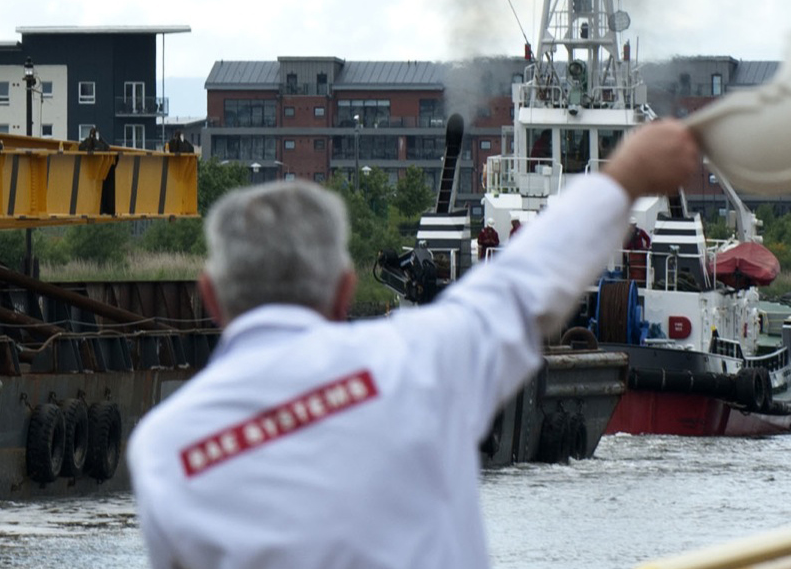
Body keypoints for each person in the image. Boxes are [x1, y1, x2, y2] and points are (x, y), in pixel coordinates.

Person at [127, 119, 704, 569]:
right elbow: (526, 284)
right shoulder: (417, 361)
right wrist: (625, 174)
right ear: (344, 287)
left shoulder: (161, 448)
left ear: (209, 293)